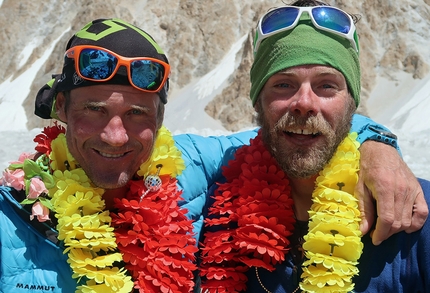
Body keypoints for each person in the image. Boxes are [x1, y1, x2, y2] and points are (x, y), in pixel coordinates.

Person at [0, 17, 426, 293]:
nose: (116, 136)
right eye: (94, 110)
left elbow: (294, 135)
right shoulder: (11, 218)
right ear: (59, 110)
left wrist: (376, 144)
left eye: (137, 113)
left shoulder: (190, 169)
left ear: (160, 120)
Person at [198, 1, 430, 292]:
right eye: (283, 84)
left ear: (352, 103)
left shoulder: (413, 211)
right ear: (257, 100)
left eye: (326, 86)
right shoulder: (214, 217)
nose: (304, 103)